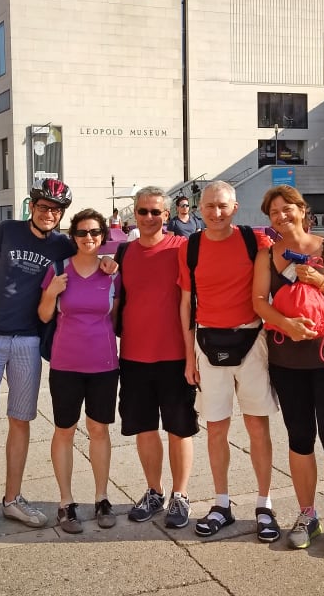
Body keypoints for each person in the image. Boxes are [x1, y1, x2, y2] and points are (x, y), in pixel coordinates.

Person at [0, 179, 117, 539]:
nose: (49, 214)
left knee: (20, 421)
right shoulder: (7, 232)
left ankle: (12, 498)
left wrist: (108, 261)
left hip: (28, 340)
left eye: (56, 210)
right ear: (32, 206)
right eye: (43, 207)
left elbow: (91, 254)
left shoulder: (62, 243)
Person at [253, 185, 324, 556]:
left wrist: (322, 281)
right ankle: (307, 514)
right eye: (274, 213)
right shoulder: (268, 254)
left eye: (287, 209)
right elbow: (258, 302)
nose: (281, 217)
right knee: (299, 439)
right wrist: (285, 324)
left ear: (302, 210)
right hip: (288, 358)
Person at [177, 180, 280, 541]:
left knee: (257, 427)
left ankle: (264, 504)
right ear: (198, 208)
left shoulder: (255, 241)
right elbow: (186, 304)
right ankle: (222, 504)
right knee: (216, 428)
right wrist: (189, 355)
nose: (215, 213)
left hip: (251, 340)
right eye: (209, 206)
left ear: (235, 207)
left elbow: (293, 256)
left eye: (222, 206)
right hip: (207, 343)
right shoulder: (190, 247)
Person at [117, 187, 197, 530]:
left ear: (168, 215)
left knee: (179, 429)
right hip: (134, 355)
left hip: (175, 355)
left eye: (156, 212)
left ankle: (180, 495)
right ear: (134, 214)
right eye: (142, 212)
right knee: (145, 428)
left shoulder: (183, 247)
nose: (149, 218)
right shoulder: (123, 252)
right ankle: (154, 491)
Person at [38, 208, 120, 533]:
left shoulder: (112, 272)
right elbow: (44, 316)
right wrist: (51, 292)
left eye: (95, 233)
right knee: (65, 430)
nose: (89, 238)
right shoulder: (58, 270)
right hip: (66, 365)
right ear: (73, 237)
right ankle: (66, 502)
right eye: (83, 233)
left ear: (103, 236)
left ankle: (101, 497)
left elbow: (120, 313)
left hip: (103, 364)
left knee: (99, 431)